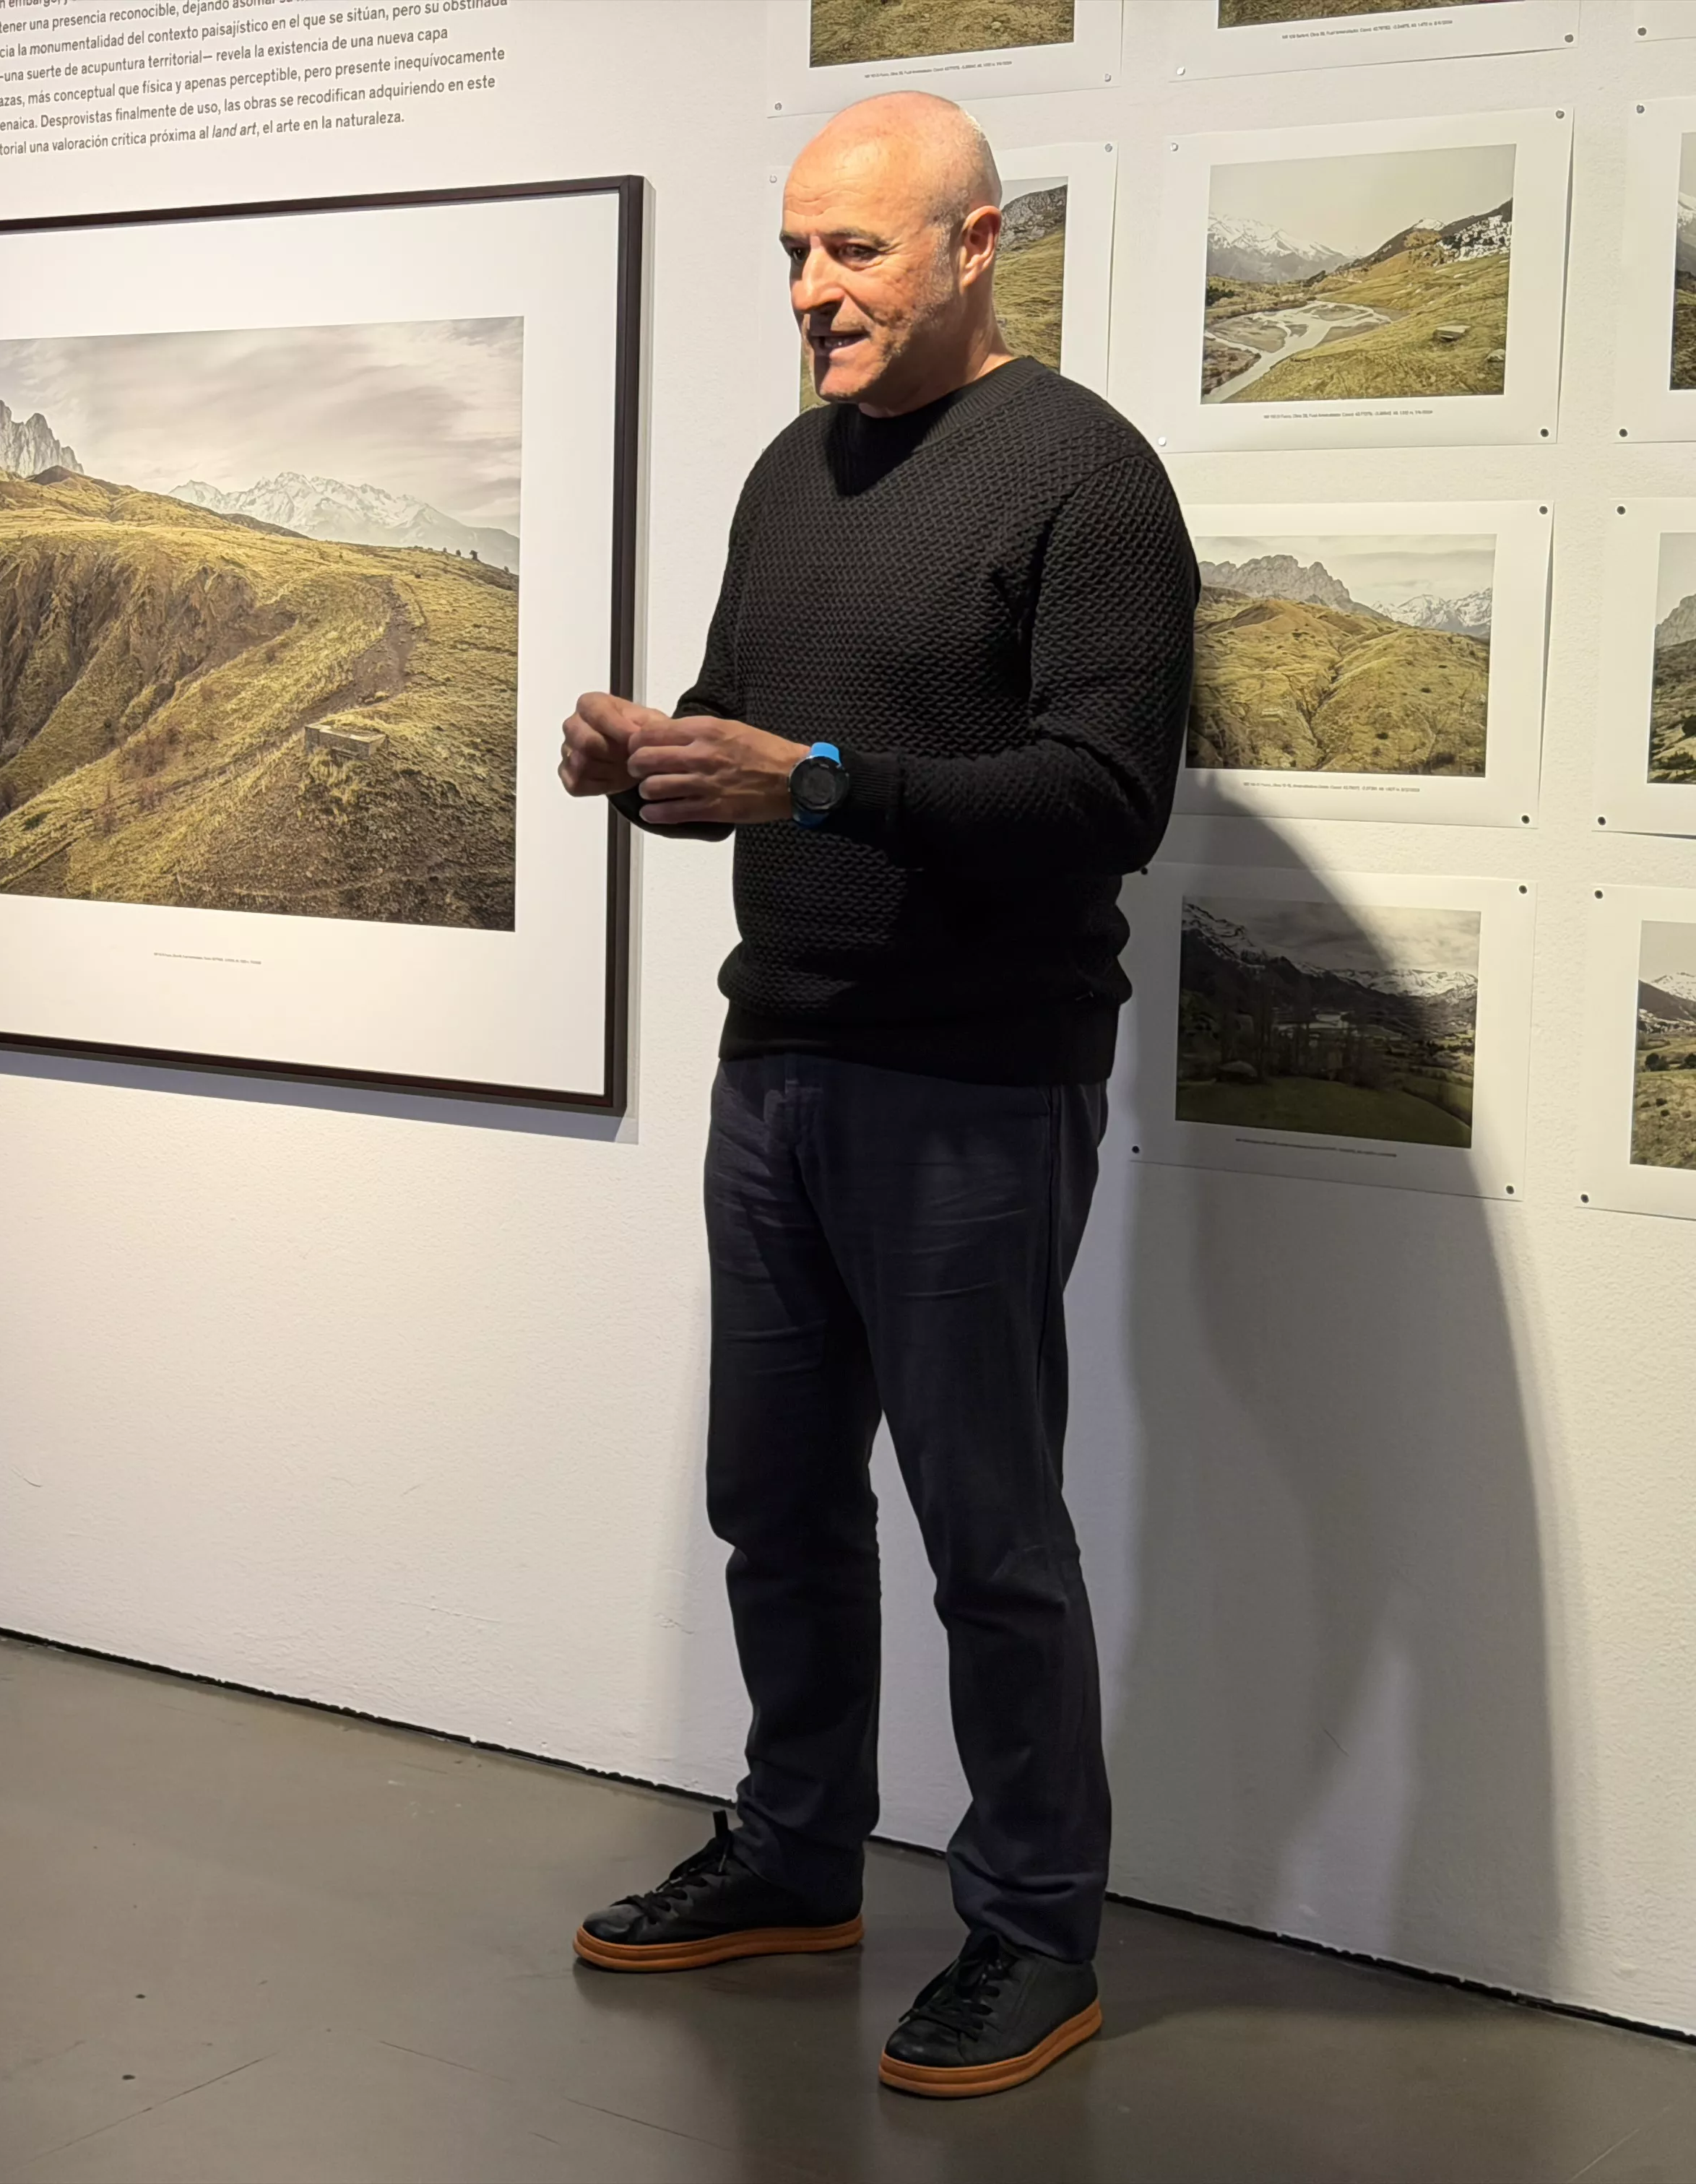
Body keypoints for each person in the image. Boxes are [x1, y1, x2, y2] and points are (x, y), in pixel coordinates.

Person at [556, 94, 1195, 2097]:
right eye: (794, 257)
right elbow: (756, 753)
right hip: (785, 1062)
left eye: (853, 253)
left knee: (988, 1533)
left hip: (977, 1089)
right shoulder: (790, 471)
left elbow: (1108, 802)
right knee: (777, 1502)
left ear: (977, 243)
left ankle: (1034, 1935)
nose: (814, 294)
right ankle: (799, 1851)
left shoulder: (1086, 477)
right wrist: (648, 761)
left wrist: (815, 778)